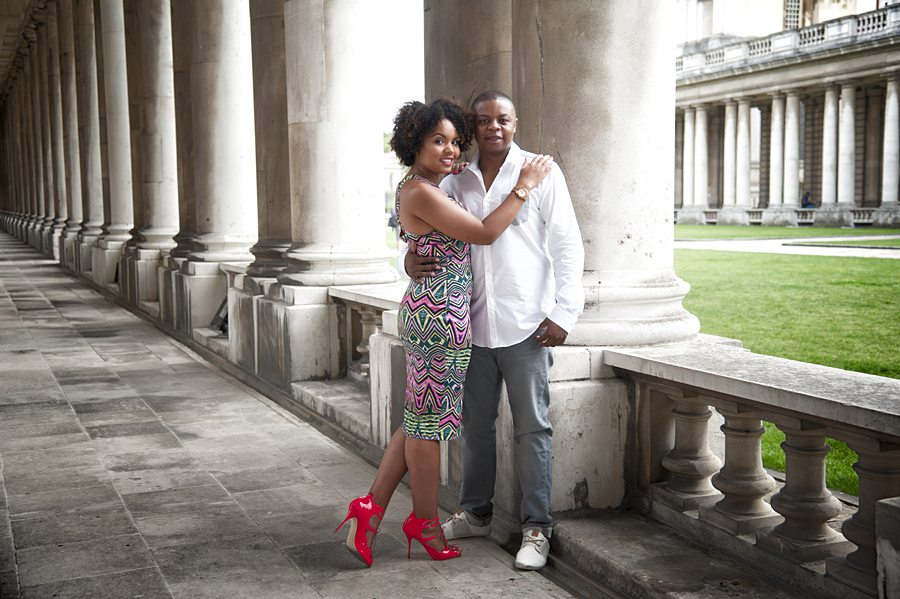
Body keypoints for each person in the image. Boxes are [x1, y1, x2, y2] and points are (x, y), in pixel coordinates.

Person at [337, 98, 554, 567]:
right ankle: (425, 524)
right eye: (439, 140)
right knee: (428, 428)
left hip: (443, 314)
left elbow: (420, 243)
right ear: (415, 143)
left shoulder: (429, 187)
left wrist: (408, 260)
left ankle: (370, 509)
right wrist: (523, 186)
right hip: (438, 320)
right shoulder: (421, 191)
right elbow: (483, 233)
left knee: (418, 420)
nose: (451, 150)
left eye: (456, 141)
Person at [404, 90, 585, 571]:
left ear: (515, 122)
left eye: (502, 119)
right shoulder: (454, 178)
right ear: (472, 129)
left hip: (528, 324)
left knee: (533, 429)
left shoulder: (541, 172)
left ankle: (536, 528)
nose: (493, 128)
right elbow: (423, 227)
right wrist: (409, 258)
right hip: (470, 323)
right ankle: (477, 512)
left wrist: (565, 312)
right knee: (474, 429)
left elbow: (567, 244)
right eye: (482, 121)